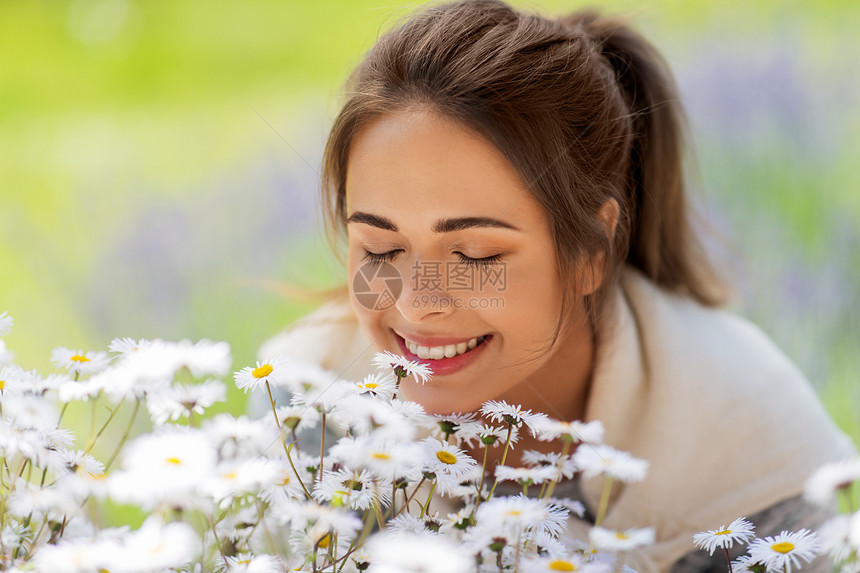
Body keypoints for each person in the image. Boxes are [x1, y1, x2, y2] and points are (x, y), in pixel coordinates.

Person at [258, 1, 856, 571]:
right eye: (382, 249)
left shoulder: (750, 448)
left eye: (473, 254)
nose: (416, 304)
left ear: (590, 251)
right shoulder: (312, 406)